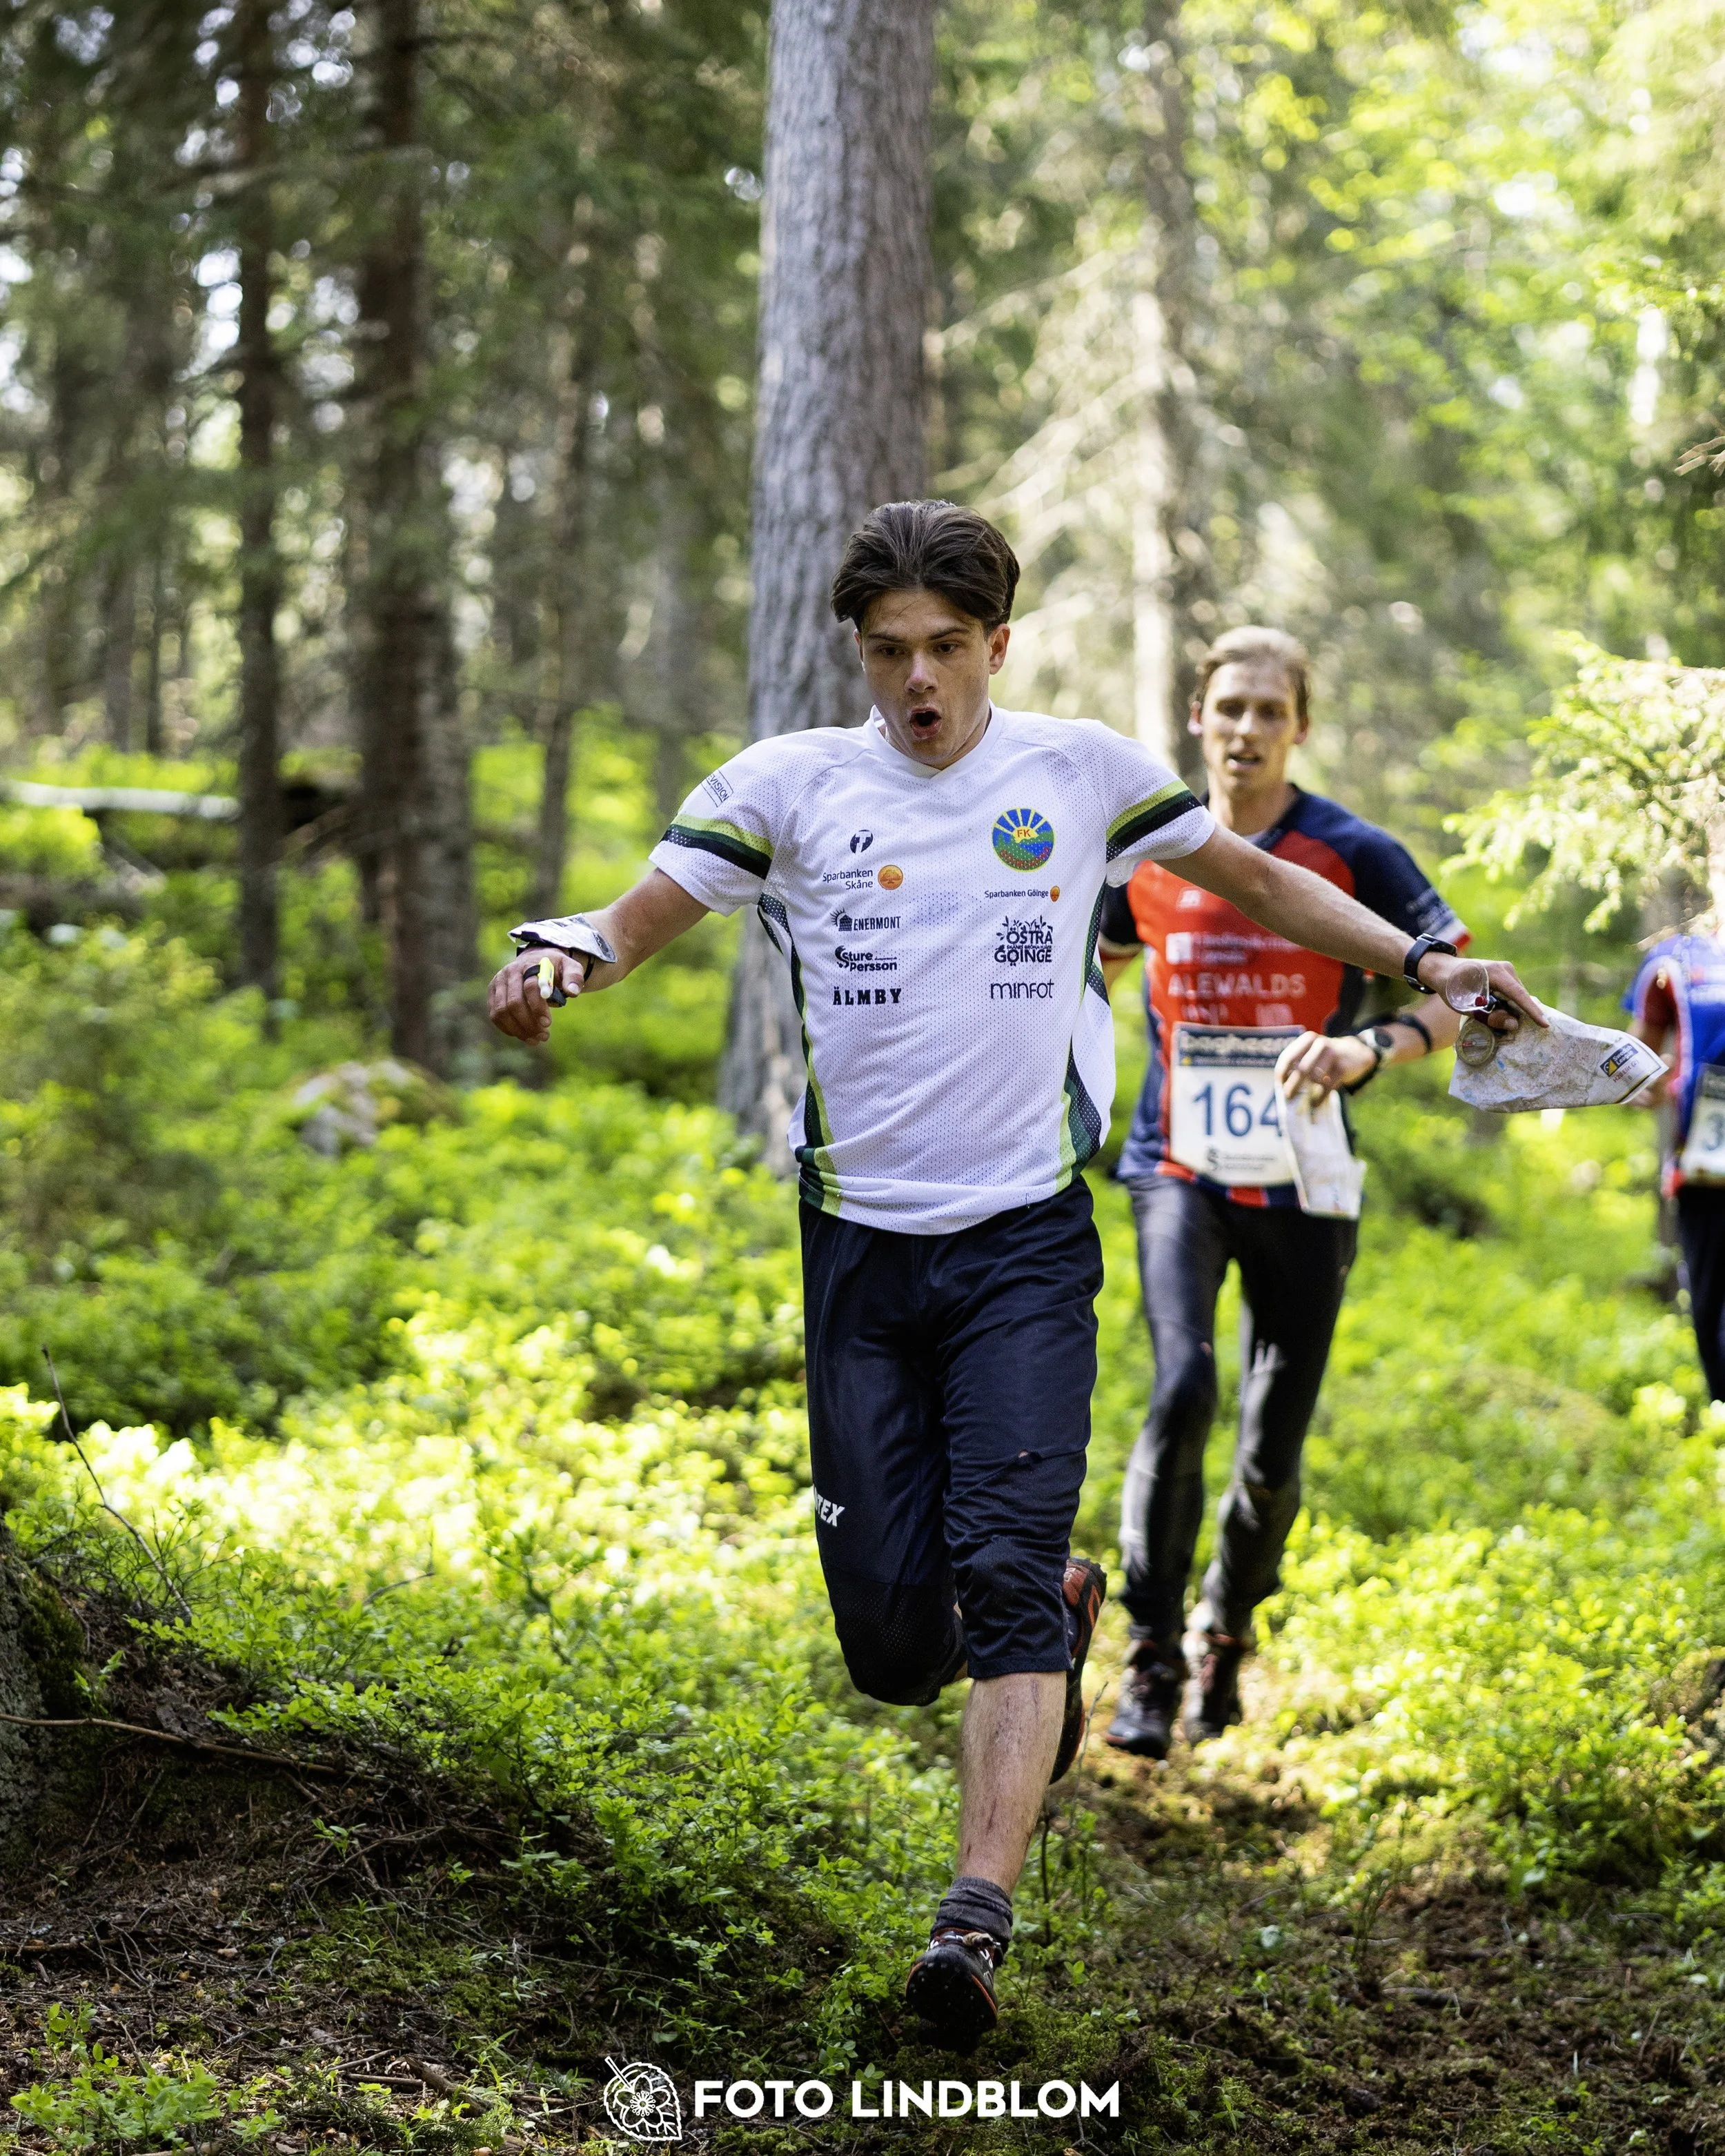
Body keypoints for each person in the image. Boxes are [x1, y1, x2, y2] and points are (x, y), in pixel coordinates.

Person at [487, 507, 1539, 2049]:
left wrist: (1425, 965)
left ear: (996, 644)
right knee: (892, 1647)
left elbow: (1254, 880)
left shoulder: (1079, 771)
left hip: (1025, 1242)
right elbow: (631, 919)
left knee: (995, 1579)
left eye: (944, 648)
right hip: (853, 1246)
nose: (917, 680)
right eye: (886, 651)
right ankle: (1042, 1601)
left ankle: (970, 1922)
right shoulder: (784, 785)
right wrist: (560, 959)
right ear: (857, 652)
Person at [1098, 626, 1504, 1761]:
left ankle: (1227, 1628)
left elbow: (1461, 997)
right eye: (1228, 708)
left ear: (1299, 729)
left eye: (1268, 712)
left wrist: (1368, 1052)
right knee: (1180, 1390)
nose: (1245, 730)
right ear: (1197, 719)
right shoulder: (1155, 847)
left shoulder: (1350, 851)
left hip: (1305, 1177)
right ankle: (1149, 1652)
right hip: (1176, 1163)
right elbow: (1095, 973)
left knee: (1273, 1444)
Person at [1625, 920, 1725, 1399]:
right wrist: (1640, 1083)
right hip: (1703, 1163)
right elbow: (1636, 1054)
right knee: (1708, 1312)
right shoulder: (1677, 957)